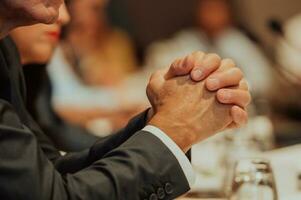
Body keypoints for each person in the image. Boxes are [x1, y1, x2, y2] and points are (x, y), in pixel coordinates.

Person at [0, 1, 251, 199]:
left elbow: (51, 170)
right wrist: (176, 130)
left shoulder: (4, 52)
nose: (65, 17)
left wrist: (164, 117)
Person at [146, 0, 273, 98]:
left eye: (217, 10)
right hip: (192, 101)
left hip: (233, 100)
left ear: (228, 13)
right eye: (207, 10)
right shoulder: (186, 40)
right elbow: (163, 69)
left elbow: (263, 78)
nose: (211, 16)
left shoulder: (238, 41)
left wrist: (231, 87)